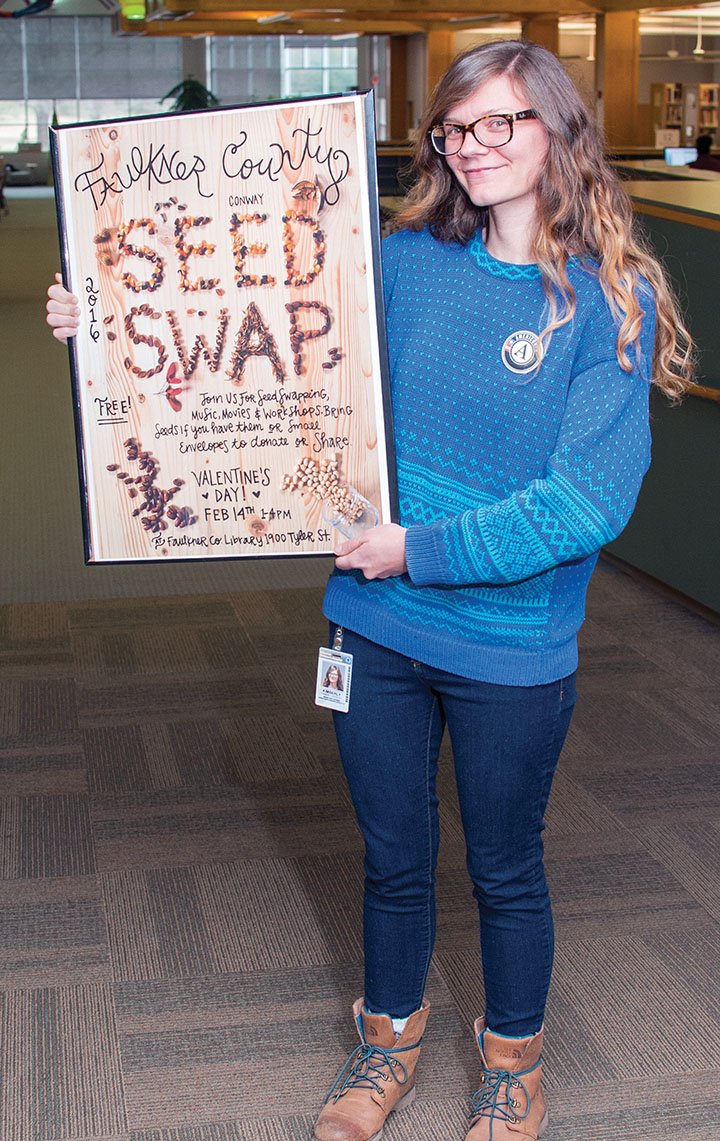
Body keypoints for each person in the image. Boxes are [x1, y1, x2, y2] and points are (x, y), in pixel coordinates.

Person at [46, 39, 693, 1141]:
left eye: (504, 123)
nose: (475, 145)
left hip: (508, 645)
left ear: (558, 132)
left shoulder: (606, 302)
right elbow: (255, 338)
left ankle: (512, 1066)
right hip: (376, 626)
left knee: (504, 865)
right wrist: (103, 320)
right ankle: (387, 1038)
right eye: (457, 126)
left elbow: (582, 505)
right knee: (391, 855)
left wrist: (418, 550)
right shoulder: (399, 261)